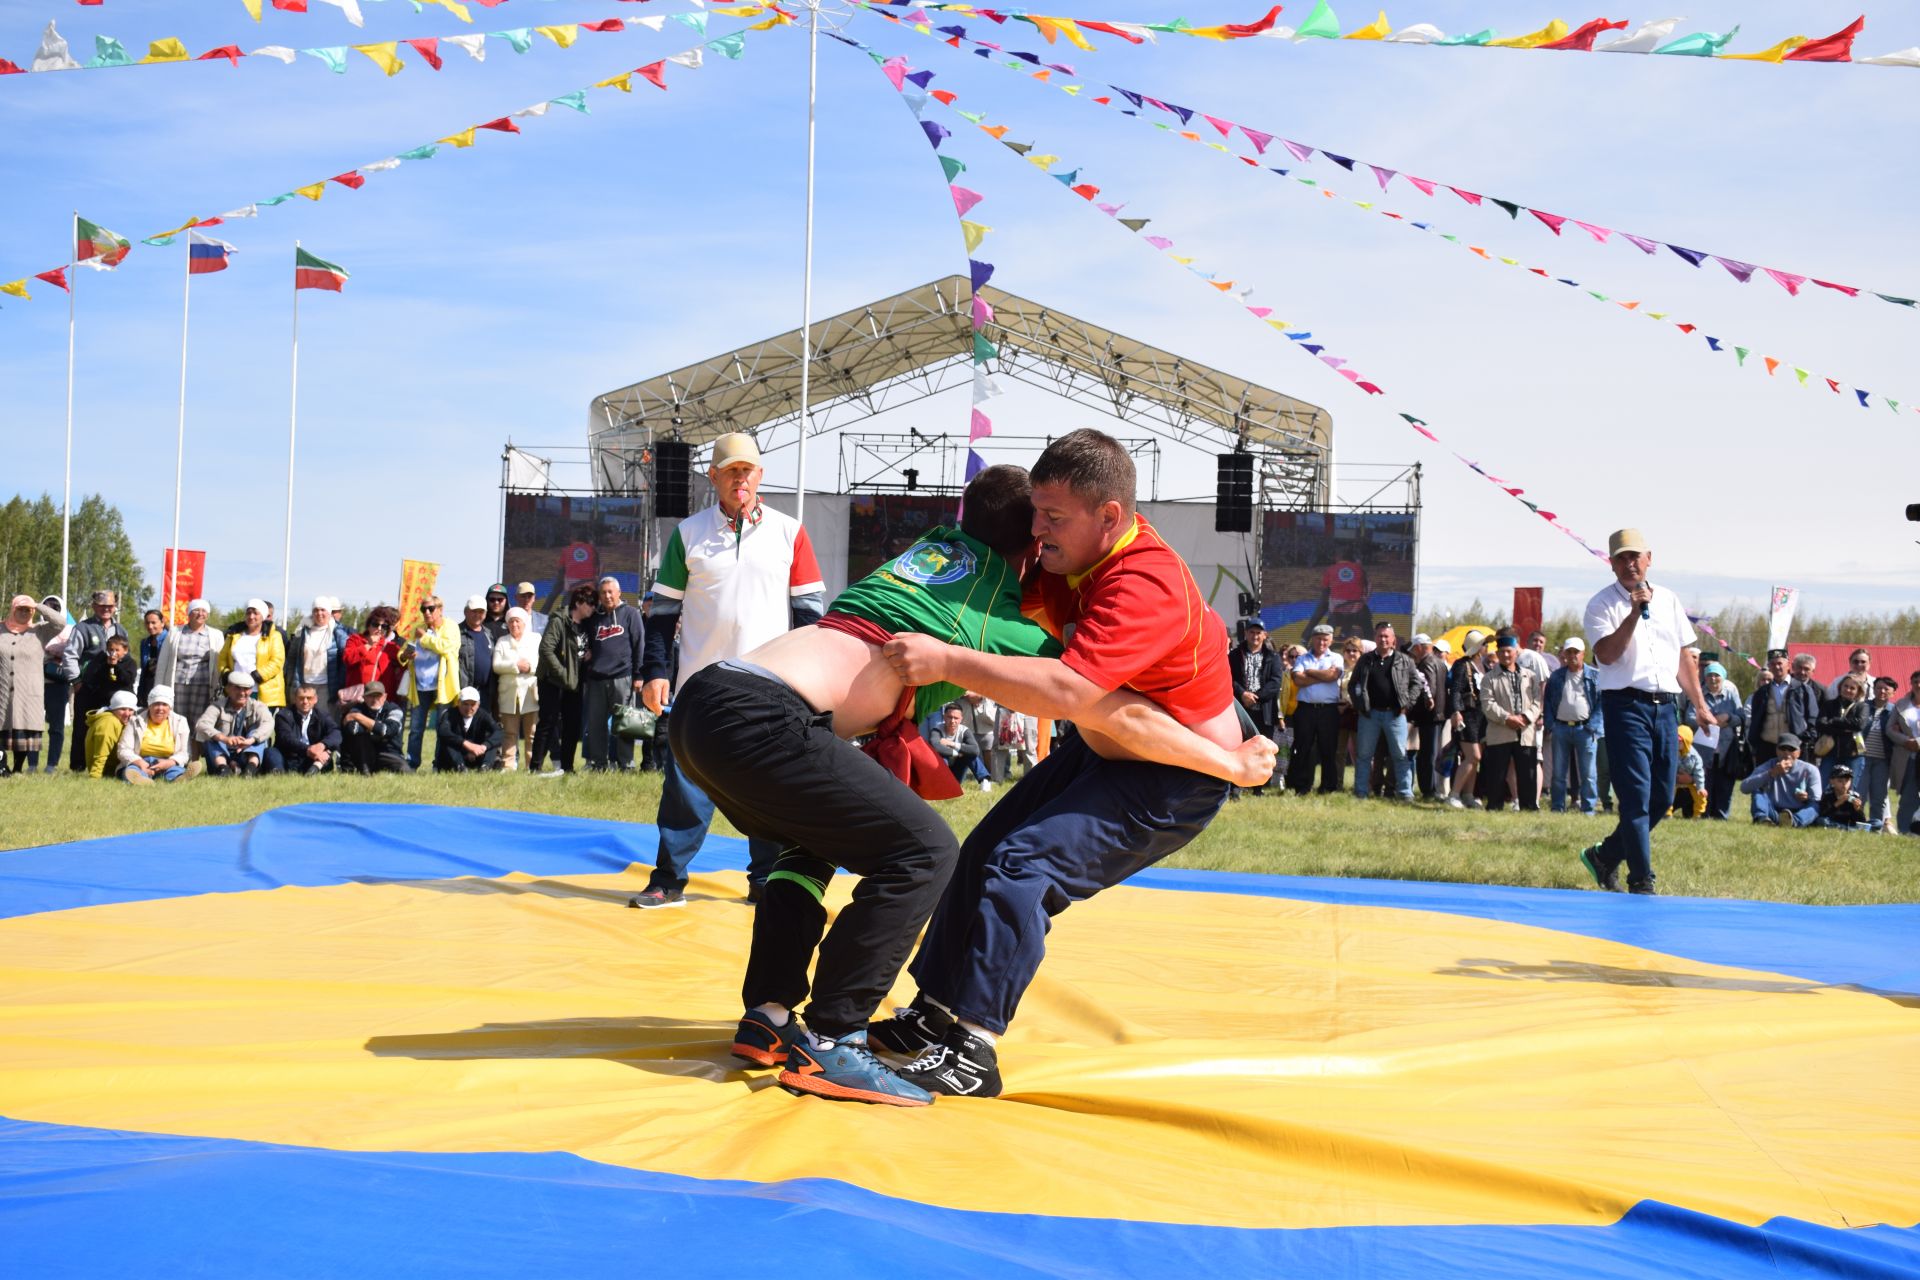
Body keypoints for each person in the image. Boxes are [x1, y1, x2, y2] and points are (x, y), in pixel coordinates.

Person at [681, 462, 1265, 1107]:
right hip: (769, 719)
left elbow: (1083, 682)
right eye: (1038, 526)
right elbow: (1088, 700)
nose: (1046, 544)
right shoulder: (999, 599)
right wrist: (1231, 763)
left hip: (711, 701)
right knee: (928, 853)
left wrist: (1227, 762)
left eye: (1057, 522)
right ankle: (833, 1037)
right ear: (1022, 553)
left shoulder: (932, 554)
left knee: (817, 849)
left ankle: (773, 1013)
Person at [871, 429, 1278, 1099]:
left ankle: (975, 1048)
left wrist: (945, 662)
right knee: (984, 852)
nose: (1038, 531)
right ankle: (932, 1016)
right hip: (1108, 749)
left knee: (1021, 866)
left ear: (1109, 516)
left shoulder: (1143, 583)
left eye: (1054, 517)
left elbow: (1067, 693)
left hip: (1172, 780)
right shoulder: (1067, 561)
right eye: (1036, 512)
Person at [634, 432, 826, 906]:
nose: (740, 478)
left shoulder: (790, 532)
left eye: (748, 470)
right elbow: (661, 616)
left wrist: (811, 680)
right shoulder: (688, 534)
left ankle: (765, 880)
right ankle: (668, 880)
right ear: (714, 476)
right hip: (699, 686)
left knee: (769, 786)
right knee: (686, 785)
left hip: (771, 686)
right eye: (731, 471)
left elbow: (810, 616)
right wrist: (656, 671)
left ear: (760, 476)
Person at [1576, 528, 1714, 895]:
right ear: (1611, 563)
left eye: (1635, 556)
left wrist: (1699, 704)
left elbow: (1684, 657)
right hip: (1625, 706)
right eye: (1621, 557)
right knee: (1635, 797)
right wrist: (1634, 614)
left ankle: (1605, 855)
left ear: (1649, 559)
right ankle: (1641, 880)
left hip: (1666, 707)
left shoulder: (1668, 600)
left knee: (1661, 799)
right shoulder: (1601, 604)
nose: (1629, 563)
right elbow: (1606, 655)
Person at [1346, 621, 1419, 800]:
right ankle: (1361, 792)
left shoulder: (1404, 660)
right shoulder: (1366, 659)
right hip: (1369, 715)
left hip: (1395, 715)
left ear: (1393, 639)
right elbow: (1353, 684)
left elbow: (1416, 683)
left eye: (1387, 636)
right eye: (1380, 636)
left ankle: (1404, 793)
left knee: (1400, 756)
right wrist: (1360, 705)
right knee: (1364, 755)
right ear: (1375, 638)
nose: (1383, 639)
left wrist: (1407, 704)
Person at [581, 578, 644, 772]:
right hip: (597, 678)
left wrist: (638, 675)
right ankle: (599, 764)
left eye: (610, 592)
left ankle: (626, 764)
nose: (607, 596)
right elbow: (586, 643)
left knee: (624, 725)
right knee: (596, 725)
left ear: (619, 593)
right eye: (603, 593)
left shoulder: (631, 614)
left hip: (622, 677)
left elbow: (639, 644)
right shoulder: (594, 618)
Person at [531, 584, 595, 776]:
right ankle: (535, 767)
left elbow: (580, 649)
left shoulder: (586, 625)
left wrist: (587, 654)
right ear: (579, 602)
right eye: (590, 604)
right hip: (552, 681)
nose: (593, 608)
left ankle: (567, 767)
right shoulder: (559, 620)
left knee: (572, 725)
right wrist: (562, 673)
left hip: (574, 683)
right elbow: (546, 649)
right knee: (548, 723)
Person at [64, 589, 129, 772]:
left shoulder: (120, 630)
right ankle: (78, 766)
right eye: (102, 606)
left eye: (109, 606)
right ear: (94, 606)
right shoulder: (82, 628)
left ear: (115, 607)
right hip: (87, 687)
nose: (106, 609)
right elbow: (70, 655)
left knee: (112, 726)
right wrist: (76, 681)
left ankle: (110, 765)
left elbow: (126, 657)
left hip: (112, 689)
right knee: (81, 727)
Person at [1479, 632, 1544, 812]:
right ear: (1497, 654)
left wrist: (1525, 717)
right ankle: (1494, 807)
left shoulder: (1530, 676)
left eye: (1509, 651)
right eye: (1502, 652)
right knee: (1497, 773)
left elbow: (1538, 701)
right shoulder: (1489, 678)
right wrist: (1507, 718)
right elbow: (1487, 704)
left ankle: (1529, 807)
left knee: (1527, 772)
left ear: (1516, 652)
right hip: (1500, 732)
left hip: (1525, 732)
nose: (1506, 655)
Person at [1, 595, 65, 775]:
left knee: (23, 730)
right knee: (2, 730)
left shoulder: (40, 631)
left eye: (27, 610)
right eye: (20, 608)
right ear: (13, 609)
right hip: (2, 690)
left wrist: (37, 605)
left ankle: (17, 769)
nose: (23, 612)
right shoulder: (0, 628)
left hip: (28, 691)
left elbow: (60, 622)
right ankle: (2, 766)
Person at [152, 599, 221, 756]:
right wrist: (159, 687)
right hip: (177, 684)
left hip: (204, 685)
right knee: (177, 721)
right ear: (189, 614)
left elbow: (219, 662)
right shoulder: (175, 633)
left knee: (199, 723)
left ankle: (195, 759)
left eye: (204, 611)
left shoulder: (216, 635)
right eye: (196, 610)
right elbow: (163, 661)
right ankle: (178, 756)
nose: (200, 614)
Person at [1545, 637, 1603, 814]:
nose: (1572, 656)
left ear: (1583, 654)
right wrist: (1551, 725)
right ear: (1564, 654)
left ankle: (1588, 809)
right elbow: (1547, 701)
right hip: (1561, 728)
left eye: (1575, 652)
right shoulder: (1556, 676)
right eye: (1569, 652)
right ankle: (1557, 807)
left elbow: (1602, 704)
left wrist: (1593, 727)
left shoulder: (1594, 675)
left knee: (1588, 774)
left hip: (1585, 729)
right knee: (1558, 774)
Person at [401, 597, 460, 771]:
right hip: (420, 685)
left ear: (440, 609)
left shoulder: (450, 626)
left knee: (443, 728)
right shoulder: (418, 629)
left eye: (430, 608)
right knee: (416, 729)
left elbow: (446, 647)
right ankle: (411, 764)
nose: (426, 612)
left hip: (443, 686)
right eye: (423, 609)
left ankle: (439, 764)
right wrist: (405, 656)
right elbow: (404, 650)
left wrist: (425, 638)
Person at [1285, 624, 1343, 795]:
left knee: (1328, 749)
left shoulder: (1336, 657)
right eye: (1318, 638)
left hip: (1328, 710)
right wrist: (1322, 675)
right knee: (1304, 748)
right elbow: (1298, 680)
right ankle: (1302, 786)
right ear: (1312, 639)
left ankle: (1327, 787)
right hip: (1306, 710)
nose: (1321, 642)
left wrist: (1310, 672)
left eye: (1325, 639)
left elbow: (1333, 676)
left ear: (1331, 640)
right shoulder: (1303, 658)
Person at [1685, 661, 1747, 820]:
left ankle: (1721, 814)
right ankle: (1703, 813)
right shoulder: (1699, 694)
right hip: (1704, 746)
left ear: (1723, 678)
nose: (1713, 679)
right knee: (1704, 780)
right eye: (1709, 675)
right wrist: (1709, 720)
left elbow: (1741, 717)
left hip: (1726, 747)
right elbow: (1690, 717)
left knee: (1725, 782)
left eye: (1716, 675)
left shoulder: (1731, 693)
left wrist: (1728, 718)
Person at [1231, 619, 1284, 795]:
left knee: (1262, 747)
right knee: (1238, 746)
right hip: (1240, 707)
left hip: (1264, 710)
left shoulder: (1272, 657)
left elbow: (1276, 682)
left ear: (1265, 635)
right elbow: (1228, 677)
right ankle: (1236, 788)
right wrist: (1242, 694)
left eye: (1258, 633)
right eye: (1252, 632)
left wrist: (1257, 697)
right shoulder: (1235, 655)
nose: (1255, 636)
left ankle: (1258, 788)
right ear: (1246, 634)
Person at [195, 671, 276, 777]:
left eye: (246, 689)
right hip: (221, 754)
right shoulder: (217, 706)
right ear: (228, 689)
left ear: (251, 691)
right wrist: (224, 738)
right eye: (237, 688)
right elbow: (201, 724)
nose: (242, 693)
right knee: (211, 737)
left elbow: (269, 723)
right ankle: (224, 769)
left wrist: (251, 740)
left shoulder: (258, 706)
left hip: (246, 752)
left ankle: (250, 769)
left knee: (258, 734)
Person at [492, 607, 540, 771]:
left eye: (517, 621)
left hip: (530, 694)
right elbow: (496, 665)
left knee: (532, 733)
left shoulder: (535, 639)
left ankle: (531, 766)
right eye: (511, 621)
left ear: (524, 623)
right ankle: (508, 765)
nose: (514, 624)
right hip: (508, 694)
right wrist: (515, 666)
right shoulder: (502, 641)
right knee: (509, 733)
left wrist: (530, 667)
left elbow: (541, 662)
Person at [218, 599, 287, 714]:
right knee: (235, 727)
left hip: (261, 690)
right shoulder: (234, 635)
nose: (251, 616)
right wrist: (226, 673)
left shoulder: (274, 636)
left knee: (258, 728)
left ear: (263, 616)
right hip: (236, 689)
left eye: (255, 613)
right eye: (248, 613)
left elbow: (277, 661)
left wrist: (257, 676)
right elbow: (222, 658)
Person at [1446, 630, 1489, 809]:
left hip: (1481, 716)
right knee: (1473, 756)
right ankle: (1454, 794)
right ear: (1477, 646)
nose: (1487, 647)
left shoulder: (1484, 666)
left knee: (1475, 759)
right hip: (1467, 715)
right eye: (1484, 644)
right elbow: (1455, 690)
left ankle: (1469, 795)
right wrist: (1456, 711)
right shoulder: (1462, 665)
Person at [116, 685, 192, 784]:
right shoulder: (135, 721)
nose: (160, 708)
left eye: (164, 704)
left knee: (175, 771)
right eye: (156, 704)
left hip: (168, 762)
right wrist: (140, 763)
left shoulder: (181, 721)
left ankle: (179, 778)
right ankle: (140, 779)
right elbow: (123, 749)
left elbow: (185, 752)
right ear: (149, 705)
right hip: (140, 761)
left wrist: (170, 762)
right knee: (132, 770)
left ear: (170, 707)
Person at [1742, 733, 1821, 827]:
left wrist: (1806, 797)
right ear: (1777, 750)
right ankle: (1761, 819)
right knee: (1758, 789)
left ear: (1799, 753)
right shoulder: (1769, 765)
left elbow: (1816, 798)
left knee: (1814, 805)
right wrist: (1771, 773)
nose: (1787, 753)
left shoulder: (1810, 770)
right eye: (1783, 749)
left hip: (1798, 811)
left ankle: (1793, 822)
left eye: (1791, 749)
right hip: (1774, 810)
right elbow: (1744, 788)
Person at [286, 599, 348, 716]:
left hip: (327, 685)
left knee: (324, 719)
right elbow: (292, 658)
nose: (319, 613)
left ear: (329, 612)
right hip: (305, 683)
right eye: (316, 610)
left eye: (323, 610)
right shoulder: (302, 632)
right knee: (303, 719)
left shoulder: (338, 633)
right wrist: (290, 682)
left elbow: (345, 658)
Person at [1406, 632, 1449, 800]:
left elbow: (1428, 689)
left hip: (1428, 715)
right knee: (1432, 752)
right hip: (1439, 715)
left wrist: (1416, 708)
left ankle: (1428, 790)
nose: (1412, 654)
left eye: (1413, 650)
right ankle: (1431, 788)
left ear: (1418, 647)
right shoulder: (1441, 662)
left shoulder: (1426, 664)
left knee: (1427, 754)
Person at [1812, 675, 1870, 790]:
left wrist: (1834, 720)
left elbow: (1859, 725)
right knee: (1822, 787)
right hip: (1830, 753)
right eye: (1845, 686)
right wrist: (1845, 728)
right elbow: (1820, 725)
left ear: (1858, 691)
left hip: (1853, 754)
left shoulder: (1862, 706)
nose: (1848, 690)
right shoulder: (1829, 705)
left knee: (1849, 789)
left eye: (1852, 688)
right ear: (1840, 687)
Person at [340, 682, 412, 774]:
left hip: (389, 753)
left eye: (378, 695)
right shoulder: (357, 709)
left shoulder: (394, 710)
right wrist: (377, 728)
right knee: (359, 737)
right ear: (364, 697)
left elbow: (388, 731)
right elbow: (353, 730)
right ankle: (365, 772)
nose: (374, 699)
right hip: (366, 753)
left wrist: (359, 718)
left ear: (385, 696)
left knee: (405, 771)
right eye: (370, 696)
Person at [38, 594, 74, 773]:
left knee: (56, 726)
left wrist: (50, 652)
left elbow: (71, 652)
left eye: (55, 606)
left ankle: (52, 764)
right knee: (33, 726)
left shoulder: (70, 630)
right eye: (46, 606)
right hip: (35, 683)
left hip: (58, 683)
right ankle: (31, 763)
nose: (51, 609)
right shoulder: (36, 628)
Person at [273, 684, 340, 775]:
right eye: (301, 698)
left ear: (315, 699)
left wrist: (322, 745)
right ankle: (278, 774)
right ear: (295, 699)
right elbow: (286, 738)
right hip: (289, 756)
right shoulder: (283, 715)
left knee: (327, 750)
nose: (305, 701)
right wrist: (308, 750)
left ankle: (314, 770)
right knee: (271, 752)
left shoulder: (322, 715)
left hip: (314, 757)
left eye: (309, 698)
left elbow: (336, 733)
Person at [1861, 675, 1899, 832]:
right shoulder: (1863, 706)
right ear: (1873, 690)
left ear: (1893, 693)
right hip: (1861, 758)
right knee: (1859, 794)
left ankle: (1875, 827)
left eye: (1886, 689)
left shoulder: (1895, 711)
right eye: (1878, 688)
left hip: (1883, 760)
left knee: (1879, 796)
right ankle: (1857, 824)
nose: (1882, 691)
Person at [434, 686, 502, 772]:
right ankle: (460, 767)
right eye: (465, 704)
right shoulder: (449, 714)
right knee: (447, 741)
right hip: (455, 755)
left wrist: (484, 746)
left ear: (478, 704)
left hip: (477, 754)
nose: (469, 708)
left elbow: (499, 732)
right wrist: (466, 744)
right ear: (458, 703)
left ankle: (485, 767)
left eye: (473, 704)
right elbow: (443, 732)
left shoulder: (483, 715)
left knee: (492, 743)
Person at [1886, 671, 1920, 836]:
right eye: (1915, 681)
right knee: (1908, 796)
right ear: (1911, 683)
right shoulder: (1901, 704)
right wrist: (1906, 741)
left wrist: (1918, 742)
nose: (1918, 685)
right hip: (1909, 757)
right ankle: (1905, 830)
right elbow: (1890, 729)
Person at [1304, 556, 1371, 639]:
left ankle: (1306, 637)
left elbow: (1325, 588)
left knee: (1326, 606)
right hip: (1354, 610)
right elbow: (1368, 587)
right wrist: (1364, 598)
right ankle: (1367, 637)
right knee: (1356, 608)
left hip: (1338, 611)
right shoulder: (1359, 570)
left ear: (1337, 558)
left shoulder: (1332, 569)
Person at [76, 633, 140, 715]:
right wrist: (107, 665)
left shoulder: (130, 663)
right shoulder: (103, 661)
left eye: (117, 650)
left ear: (125, 650)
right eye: (111, 650)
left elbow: (127, 680)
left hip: (122, 702)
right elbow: (96, 677)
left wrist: (116, 666)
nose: (113, 653)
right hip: (106, 701)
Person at [923, 703, 984, 787]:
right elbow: (935, 747)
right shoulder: (937, 730)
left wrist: (951, 743)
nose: (952, 721)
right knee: (941, 757)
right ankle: (941, 783)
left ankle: (984, 780)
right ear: (944, 717)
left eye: (956, 718)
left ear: (961, 719)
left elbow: (975, 750)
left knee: (972, 756)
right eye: (949, 717)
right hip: (943, 770)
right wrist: (956, 753)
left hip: (957, 772)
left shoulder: (964, 730)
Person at [457, 595, 498, 716]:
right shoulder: (456, 632)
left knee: (482, 728)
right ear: (465, 612)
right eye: (474, 611)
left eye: (481, 612)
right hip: (465, 690)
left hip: (486, 692)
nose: (477, 615)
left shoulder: (488, 634)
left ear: (485, 614)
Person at [84, 689, 139, 779]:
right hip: (108, 772)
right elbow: (101, 753)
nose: (127, 713)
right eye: (122, 709)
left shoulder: (122, 721)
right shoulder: (108, 723)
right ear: (113, 709)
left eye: (130, 710)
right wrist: (95, 776)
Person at [1816, 764, 1870, 830]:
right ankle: (1847, 829)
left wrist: (1857, 809)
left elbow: (1861, 821)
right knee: (1821, 821)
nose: (1844, 784)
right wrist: (1837, 803)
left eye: (1847, 780)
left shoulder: (1854, 796)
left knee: (1877, 822)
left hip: (1849, 823)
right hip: (1833, 822)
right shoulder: (1827, 795)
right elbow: (1823, 814)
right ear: (1832, 781)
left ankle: (1848, 829)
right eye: (1840, 781)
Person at [1671, 724, 1707, 818]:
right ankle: (1667, 813)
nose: (1677, 744)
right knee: (1668, 791)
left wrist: (1701, 788)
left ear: (1687, 742)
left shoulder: (1695, 757)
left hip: (1691, 782)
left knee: (1700, 795)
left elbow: (1699, 773)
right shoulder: (1670, 752)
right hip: (1674, 781)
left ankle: (1698, 814)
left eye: (1680, 742)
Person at [136, 608, 166, 704]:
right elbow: (144, 670)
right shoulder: (144, 643)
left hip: (163, 687)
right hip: (147, 687)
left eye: (153, 623)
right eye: (147, 623)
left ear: (162, 622)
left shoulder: (170, 641)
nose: (150, 626)